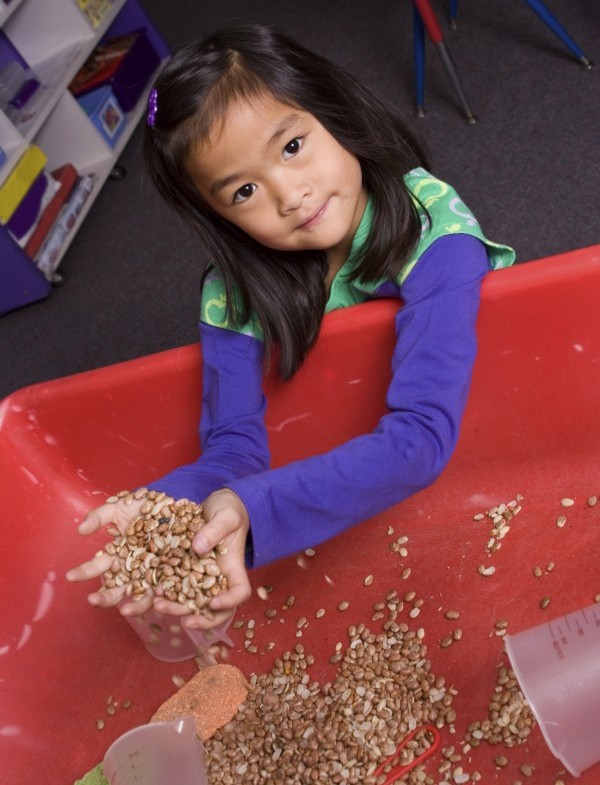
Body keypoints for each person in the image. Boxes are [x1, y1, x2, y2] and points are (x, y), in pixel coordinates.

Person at [66, 23, 515, 630]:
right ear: (216, 215)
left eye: (293, 146)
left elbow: (422, 439)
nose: (289, 195)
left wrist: (255, 507)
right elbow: (233, 447)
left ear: (333, 110)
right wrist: (162, 510)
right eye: (244, 190)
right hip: (352, 492)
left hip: (481, 465)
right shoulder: (232, 292)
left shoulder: (432, 233)